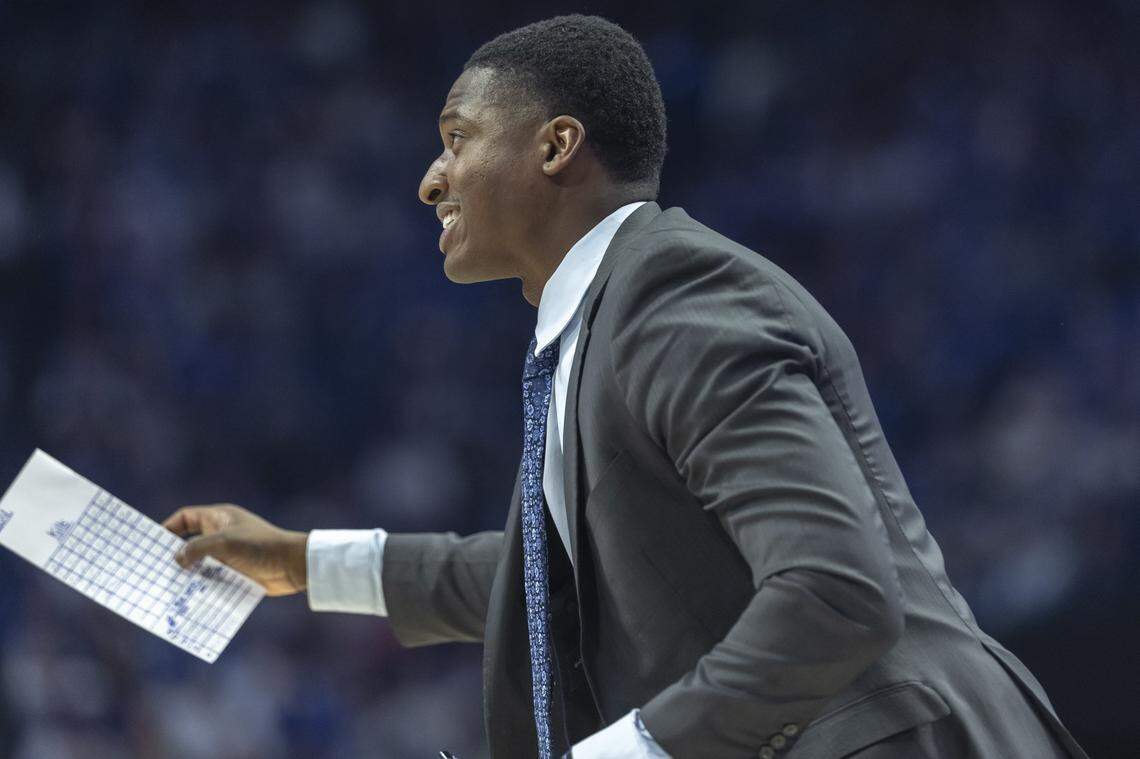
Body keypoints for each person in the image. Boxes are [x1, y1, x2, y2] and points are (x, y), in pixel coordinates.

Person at [162, 15, 1089, 759]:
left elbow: (836, 590)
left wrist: (628, 749)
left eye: (456, 137)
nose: (428, 179)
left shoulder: (673, 289)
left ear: (556, 145)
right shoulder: (597, 327)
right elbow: (563, 582)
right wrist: (301, 562)